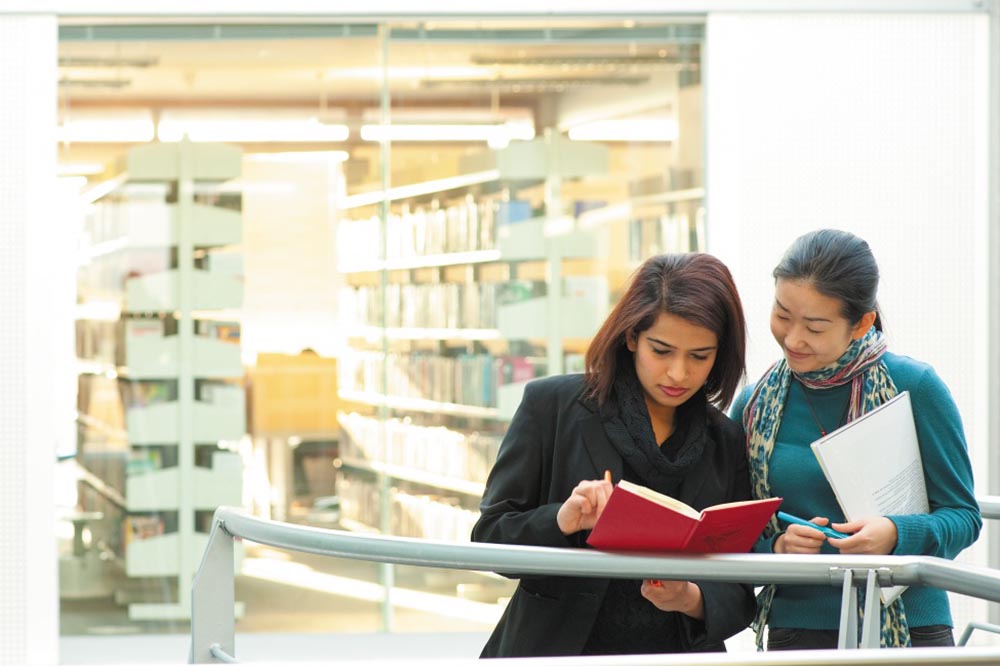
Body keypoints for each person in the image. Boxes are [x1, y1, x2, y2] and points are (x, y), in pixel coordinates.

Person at [471, 253, 756, 657]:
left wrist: (690, 598)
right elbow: (490, 537)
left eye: (699, 356)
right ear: (631, 337)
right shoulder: (552, 406)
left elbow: (739, 588)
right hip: (558, 653)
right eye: (662, 351)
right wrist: (562, 520)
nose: (678, 373)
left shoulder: (725, 439)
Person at [731, 228, 981, 650]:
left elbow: (962, 517)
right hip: (797, 630)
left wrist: (895, 535)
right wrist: (776, 545)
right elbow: (729, 529)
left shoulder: (915, 388)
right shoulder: (754, 404)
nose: (793, 338)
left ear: (862, 322)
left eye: (814, 326)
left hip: (910, 629)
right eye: (782, 314)